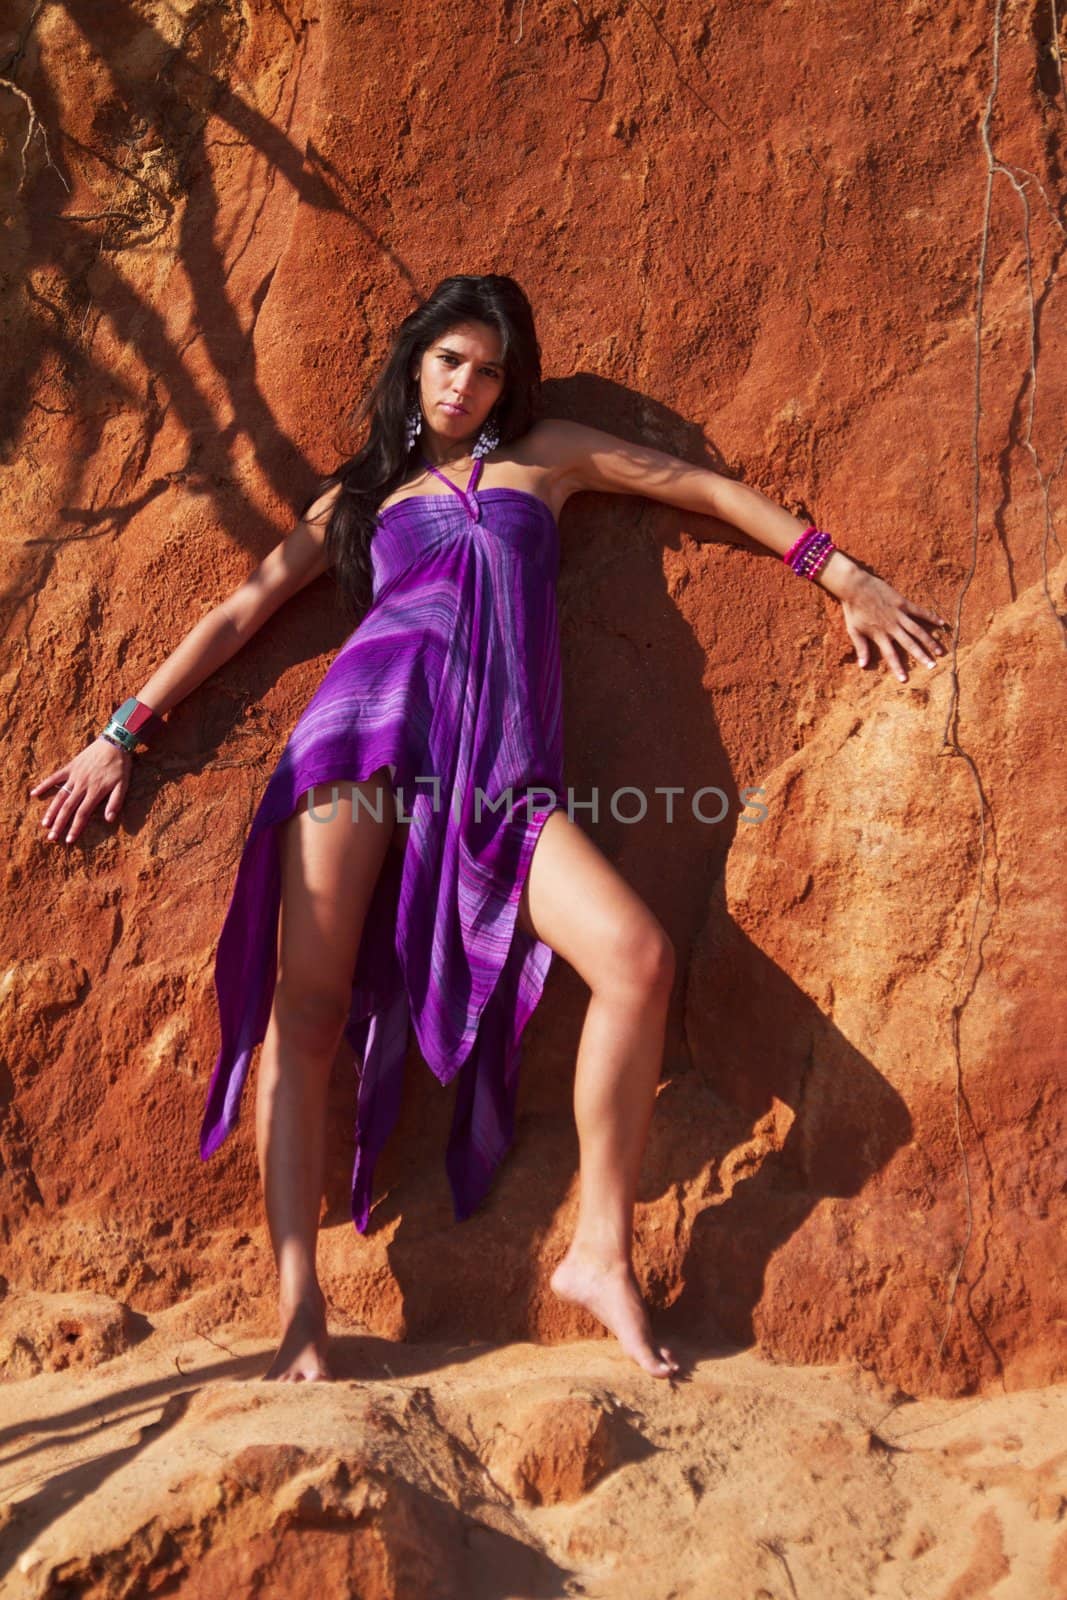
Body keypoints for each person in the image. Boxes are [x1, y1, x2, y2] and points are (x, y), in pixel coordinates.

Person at [30, 273, 950, 1386]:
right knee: (305, 1009)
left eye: (487, 367)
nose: (466, 383)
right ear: (414, 366)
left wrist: (838, 574)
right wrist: (120, 732)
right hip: (358, 743)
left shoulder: (545, 455)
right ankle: (297, 1314)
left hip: (498, 779)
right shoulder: (361, 496)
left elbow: (701, 488)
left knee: (636, 957)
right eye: (448, 360)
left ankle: (597, 1256)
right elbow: (241, 610)